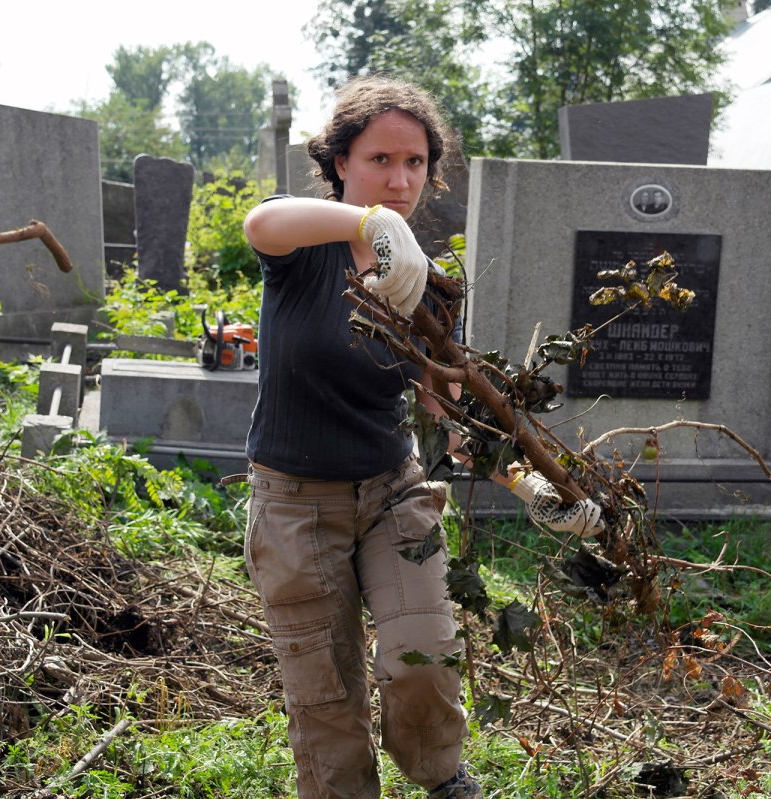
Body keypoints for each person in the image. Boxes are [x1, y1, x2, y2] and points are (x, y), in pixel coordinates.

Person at [240, 75, 602, 799]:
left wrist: (532, 486)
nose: (399, 180)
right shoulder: (304, 250)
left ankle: (442, 779)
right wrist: (365, 225)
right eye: (380, 159)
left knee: (423, 658)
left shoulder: (429, 287)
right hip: (293, 507)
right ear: (341, 161)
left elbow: (454, 422)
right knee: (325, 696)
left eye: (415, 164)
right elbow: (260, 221)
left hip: (391, 495)